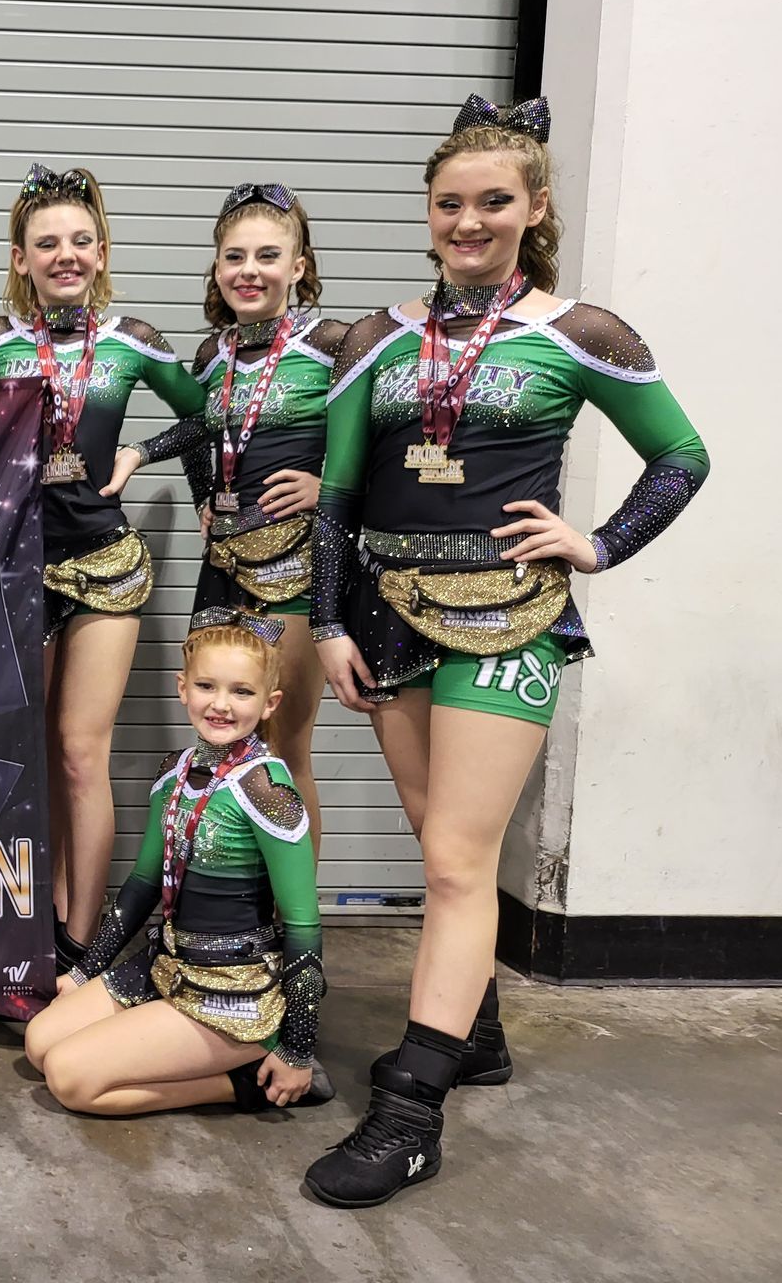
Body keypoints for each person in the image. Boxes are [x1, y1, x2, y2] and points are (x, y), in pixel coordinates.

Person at [303, 95, 710, 1208]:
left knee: (453, 864)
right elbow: (336, 493)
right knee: (444, 842)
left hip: (509, 617)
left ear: (534, 210)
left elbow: (682, 456)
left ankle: (410, 1116)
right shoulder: (372, 336)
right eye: (450, 204)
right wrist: (328, 620)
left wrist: (599, 543)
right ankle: (471, 1036)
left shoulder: (584, 334)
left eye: (494, 202)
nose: (469, 222)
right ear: (428, 213)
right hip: (383, 614)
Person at [0, 164, 207, 971]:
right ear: (20, 257)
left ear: (101, 251)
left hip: (103, 566)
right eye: (47, 242)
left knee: (79, 754)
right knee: (20, 756)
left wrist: (145, 453)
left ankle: (77, 941)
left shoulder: (133, 339)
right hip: (11, 570)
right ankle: (17, 922)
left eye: (81, 241)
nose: (66, 255)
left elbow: (208, 413)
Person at [113, 184, 347, 852]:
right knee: (223, 731)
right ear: (217, 268)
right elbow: (198, 428)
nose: (250, 270)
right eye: (234, 256)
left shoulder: (335, 343)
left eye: (268, 255)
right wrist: (198, 500)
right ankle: (232, 906)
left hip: (297, 572)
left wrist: (326, 484)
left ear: (298, 266)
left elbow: (391, 443)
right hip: (224, 571)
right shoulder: (212, 355)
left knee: (282, 748)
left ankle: (291, 923)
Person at [23, 615, 330, 1117]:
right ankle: (166, 1039)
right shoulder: (175, 769)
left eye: (242, 692)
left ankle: (244, 1082)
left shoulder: (266, 790)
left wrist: (296, 1046)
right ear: (183, 689)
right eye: (207, 686)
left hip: (232, 991)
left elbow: (302, 924)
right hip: (167, 963)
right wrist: (83, 973)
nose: (221, 704)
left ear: (269, 703)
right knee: (39, 1042)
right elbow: (143, 884)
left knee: (70, 1078)